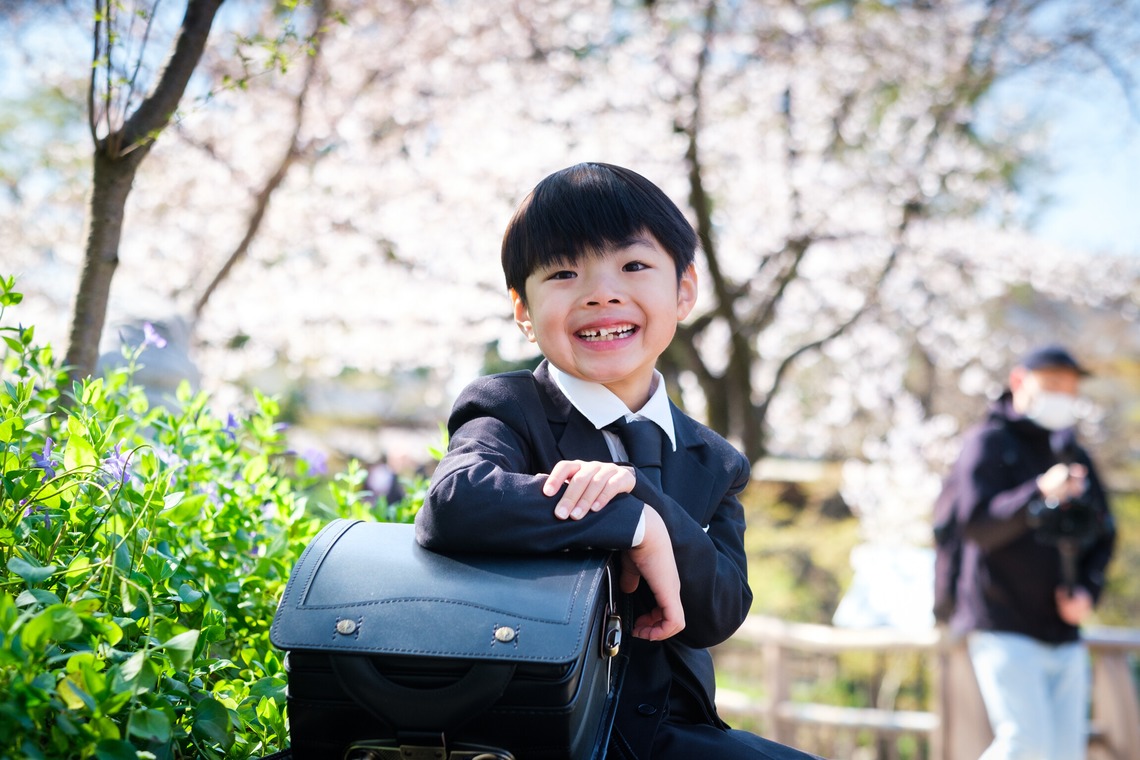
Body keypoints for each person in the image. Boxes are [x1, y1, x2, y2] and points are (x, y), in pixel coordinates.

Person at [415, 163, 817, 759]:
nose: (601, 293)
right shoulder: (508, 408)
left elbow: (720, 611)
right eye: (563, 272)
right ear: (523, 310)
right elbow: (455, 503)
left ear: (684, 290)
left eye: (633, 266)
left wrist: (646, 503)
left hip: (666, 735)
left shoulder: (713, 459)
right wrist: (630, 525)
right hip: (528, 729)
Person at [945, 345, 1116, 760]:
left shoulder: (1073, 453)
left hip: (1064, 629)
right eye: (1053, 384)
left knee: (1064, 753)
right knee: (1025, 744)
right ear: (1020, 381)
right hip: (1002, 620)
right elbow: (976, 525)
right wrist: (1039, 491)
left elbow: (1104, 532)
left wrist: (1088, 591)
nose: (1064, 395)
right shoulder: (987, 442)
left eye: (1070, 388)